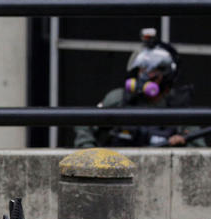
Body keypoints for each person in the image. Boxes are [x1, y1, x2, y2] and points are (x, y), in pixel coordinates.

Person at [73, 28, 206, 149]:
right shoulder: (120, 98)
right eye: (142, 71)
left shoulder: (178, 106)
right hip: (118, 168)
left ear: (166, 78)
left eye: (153, 74)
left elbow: (199, 150)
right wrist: (89, 153)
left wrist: (182, 146)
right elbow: (84, 124)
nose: (145, 78)